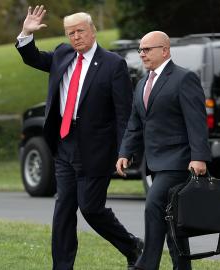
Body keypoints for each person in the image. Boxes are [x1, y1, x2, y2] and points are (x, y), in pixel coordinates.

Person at [15, 5, 143, 270]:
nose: (75, 37)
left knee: (91, 208)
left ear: (93, 31)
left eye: (80, 31)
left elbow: (124, 113)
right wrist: (26, 34)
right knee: (63, 210)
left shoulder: (113, 64)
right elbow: (34, 58)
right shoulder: (63, 54)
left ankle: (131, 245)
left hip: (96, 148)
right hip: (64, 144)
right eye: (70, 32)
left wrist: (125, 151)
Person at [116, 31, 211, 270]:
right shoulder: (141, 84)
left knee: (153, 205)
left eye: (147, 49)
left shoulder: (183, 78)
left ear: (165, 50)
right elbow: (135, 124)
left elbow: (196, 121)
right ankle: (183, 267)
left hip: (178, 162)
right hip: (155, 163)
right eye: (140, 50)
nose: (142, 54)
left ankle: (145, 266)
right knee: (173, 220)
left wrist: (199, 157)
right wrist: (125, 152)